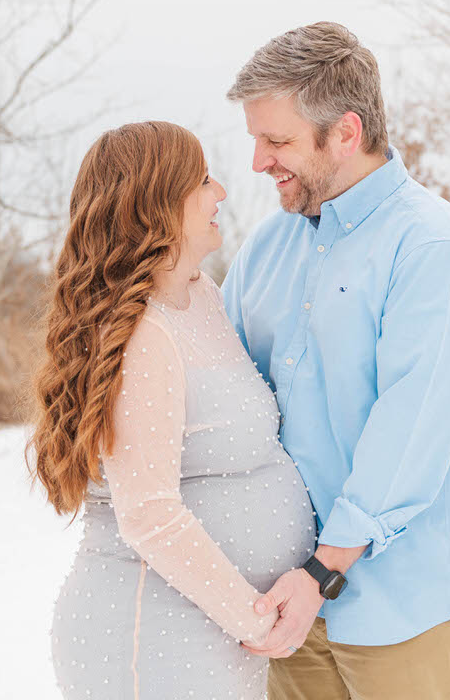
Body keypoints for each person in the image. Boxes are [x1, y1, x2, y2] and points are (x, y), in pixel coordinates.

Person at [221, 22, 450, 700]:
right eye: (255, 140)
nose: (258, 162)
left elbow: (414, 426)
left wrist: (322, 571)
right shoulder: (266, 247)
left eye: (277, 140)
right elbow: (226, 395)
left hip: (405, 609)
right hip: (284, 603)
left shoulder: (434, 248)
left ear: (345, 133)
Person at [27, 120, 317, 700]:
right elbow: (150, 514)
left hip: (211, 635)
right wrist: (256, 619)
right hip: (155, 636)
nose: (221, 194)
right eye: (204, 179)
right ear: (158, 200)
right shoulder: (143, 333)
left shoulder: (202, 296)